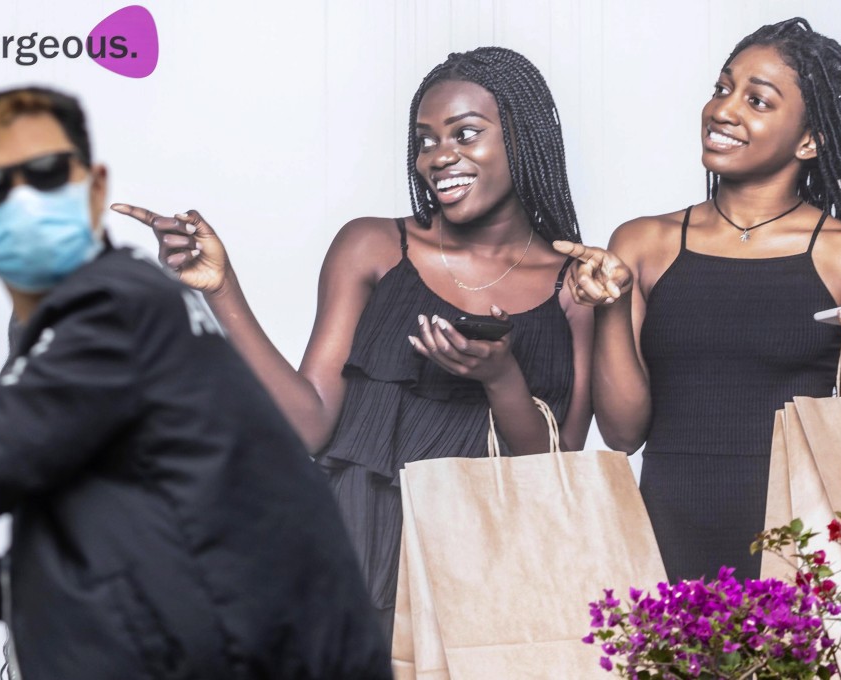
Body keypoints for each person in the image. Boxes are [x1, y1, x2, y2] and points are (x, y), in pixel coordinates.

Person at [0, 86, 391, 679]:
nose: (26, 205)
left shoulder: (119, 311)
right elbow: (130, 524)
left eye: (48, 176)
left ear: (94, 190)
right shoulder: (95, 313)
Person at [112, 46, 594, 640]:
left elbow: (558, 471)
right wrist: (220, 288)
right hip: (355, 552)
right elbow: (309, 424)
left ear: (523, 138)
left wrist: (501, 378)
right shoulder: (371, 248)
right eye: (424, 140)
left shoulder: (574, 283)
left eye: (465, 134)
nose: (439, 158)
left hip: (488, 571)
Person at [554, 17, 841, 583]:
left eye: (757, 100)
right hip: (666, 528)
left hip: (802, 538)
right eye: (722, 88)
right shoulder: (642, 244)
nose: (723, 111)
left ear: (809, 140)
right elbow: (625, 433)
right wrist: (611, 304)